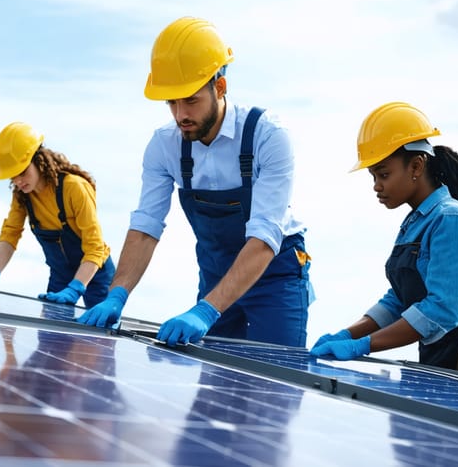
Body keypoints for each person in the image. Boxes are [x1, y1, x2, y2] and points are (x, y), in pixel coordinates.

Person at [78, 17, 313, 347]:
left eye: (190, 100)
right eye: (171, 102)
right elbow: (146, 226)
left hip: (275, 277)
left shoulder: (268, 135)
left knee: (274, 371)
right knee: (216, 376)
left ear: (220, 87)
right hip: (216, 275)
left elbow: (264, 235)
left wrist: (206, 311)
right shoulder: (164, 146)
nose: (180, 115)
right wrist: (117, 293)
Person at [310, 102, 458, 376]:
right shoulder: (415, 223)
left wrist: (364, 345)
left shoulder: (452, 219)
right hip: (445, 355)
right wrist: (348, 334)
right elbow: (399, 301)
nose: (376, 186)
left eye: (384, 174)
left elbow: (442, 310)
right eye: (373, 176)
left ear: (417, 166)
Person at [0, 122, 115, 308]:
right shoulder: (22, 196)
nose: (18, 181)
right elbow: (11, 233)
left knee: (99, 323)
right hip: (60, 275)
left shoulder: (74, 187)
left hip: (96, 272)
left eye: (22, 172)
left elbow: (95, 247)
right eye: (13, 176)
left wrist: (76, 288)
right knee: (51, 326)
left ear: (39, 160)